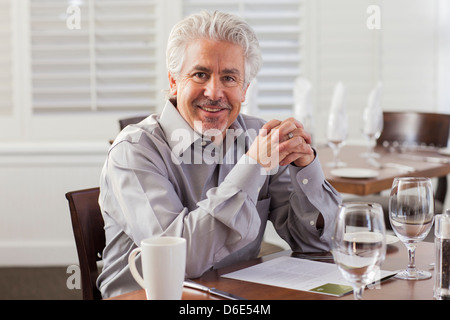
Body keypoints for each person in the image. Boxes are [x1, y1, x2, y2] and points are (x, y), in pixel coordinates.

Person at [96, 11, 342, 298]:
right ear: (174, 82)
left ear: (244, 90)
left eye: (229, 78)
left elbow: (317, 245)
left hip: (231, 296)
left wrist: (306, 169)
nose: (214, 92)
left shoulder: (256, 136)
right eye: (200, 74)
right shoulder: (133, 151)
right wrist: (252, 166)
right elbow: (179, 262)